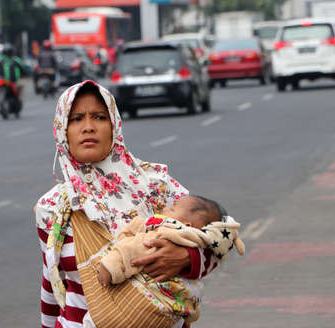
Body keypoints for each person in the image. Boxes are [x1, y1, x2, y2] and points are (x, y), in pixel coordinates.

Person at [35, 81, 233, 328]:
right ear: (62, 130)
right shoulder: (52, 207)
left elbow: (221, 240)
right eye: (76, 119)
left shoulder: (157, 186)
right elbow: (52, 284)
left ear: (114, 125)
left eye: (98, 117)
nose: (88, 127)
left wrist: (187, 258)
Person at [94, 195, 245, 325]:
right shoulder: (202, 245)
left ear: (186, 225)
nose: (164, 208)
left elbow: (130, 250)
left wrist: (109, 269)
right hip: (176, 310)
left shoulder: (166, 233)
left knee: (91, 323)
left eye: (171, 209)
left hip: (141, 306)